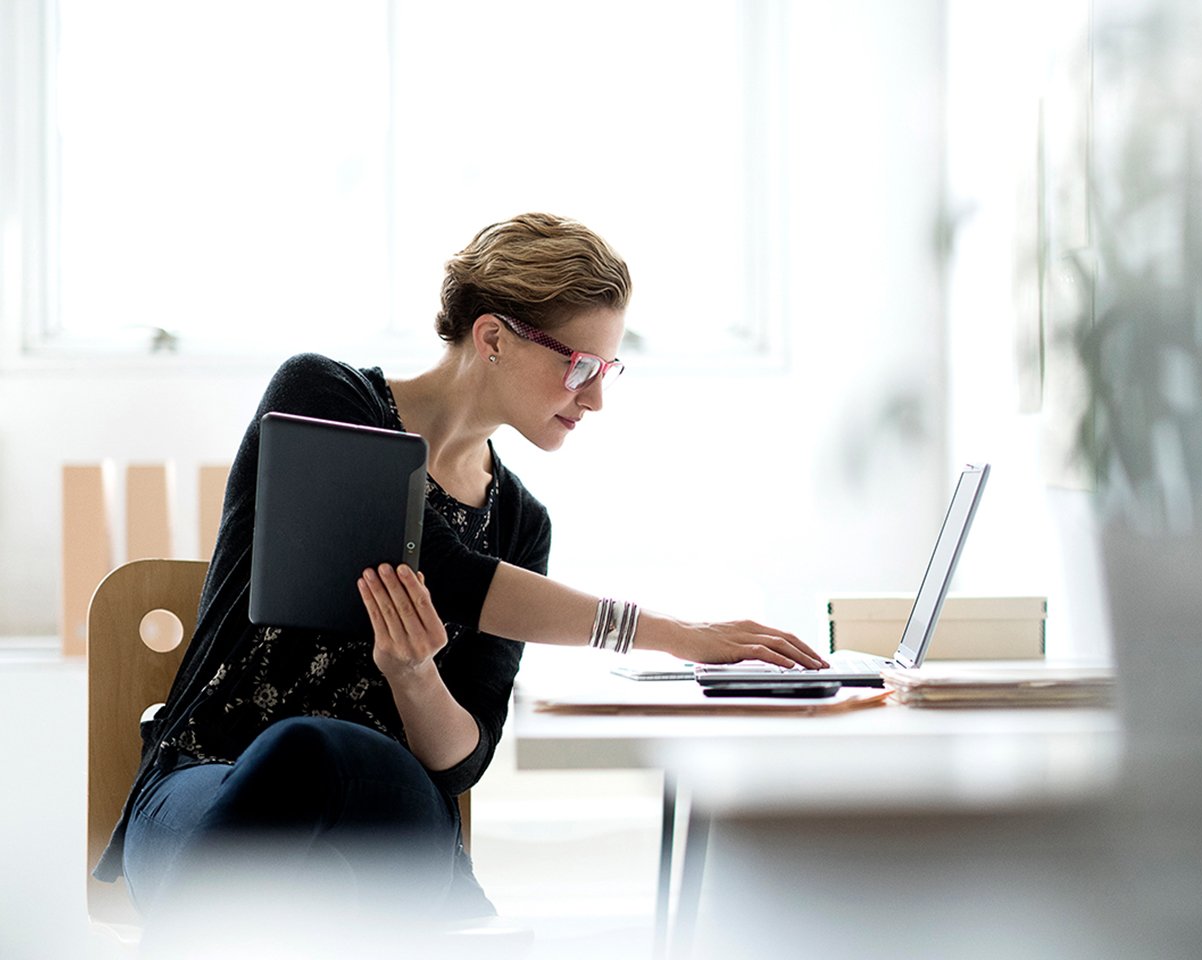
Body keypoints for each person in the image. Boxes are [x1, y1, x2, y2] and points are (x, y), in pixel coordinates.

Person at [93, 212, 827, 950]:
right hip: (211, 784)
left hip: (385, 809)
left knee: (346, 777)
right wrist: (677, 635)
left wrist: (415, 677)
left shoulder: (520, 525)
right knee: (305, 753)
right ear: (494, 337)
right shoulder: (325, 400)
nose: (595, 397)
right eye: (579, 366)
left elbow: (465, 755)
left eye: (606, 371)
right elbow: (440, 569)